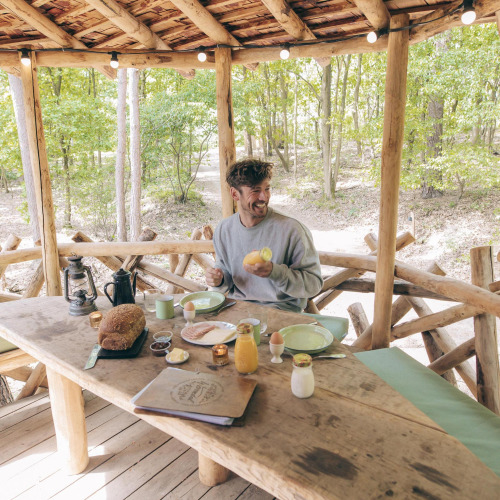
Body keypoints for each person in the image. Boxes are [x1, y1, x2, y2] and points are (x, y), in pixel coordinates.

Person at [206, 158, 323, 312]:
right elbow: (226, 270)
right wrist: (219, 280)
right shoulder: (224, 229)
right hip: (238, 310)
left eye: (267, 189)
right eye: (255, 190)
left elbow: (314, 284)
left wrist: (275, 272)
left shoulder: (292, 230)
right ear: (235, 194)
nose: (264, 197)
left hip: (282, 313)